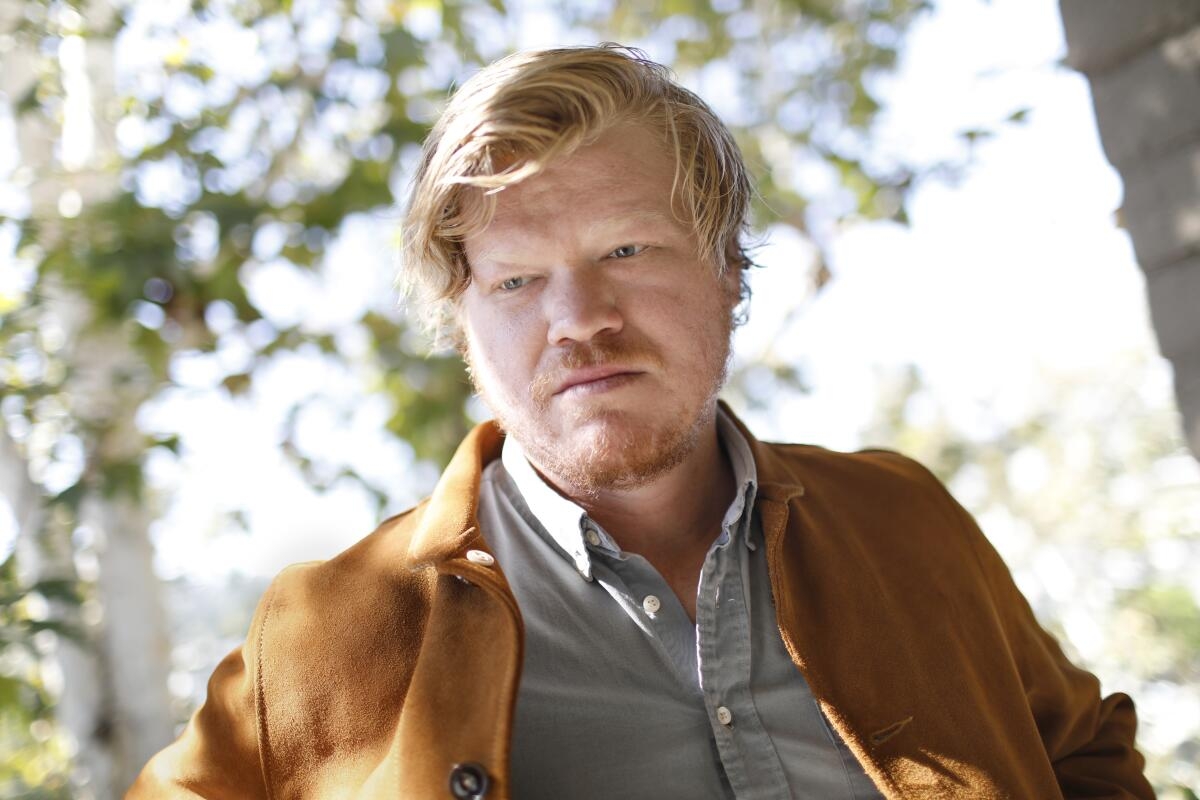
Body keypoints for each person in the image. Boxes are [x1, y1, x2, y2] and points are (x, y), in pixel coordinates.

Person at [128, 44, 1155, 799]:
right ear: (462, 323)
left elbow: (1087, 756)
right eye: (519, 278)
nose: (578, 319)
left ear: (729, 267)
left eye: (627, 250)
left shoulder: (907, 519)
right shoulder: (324, 631)